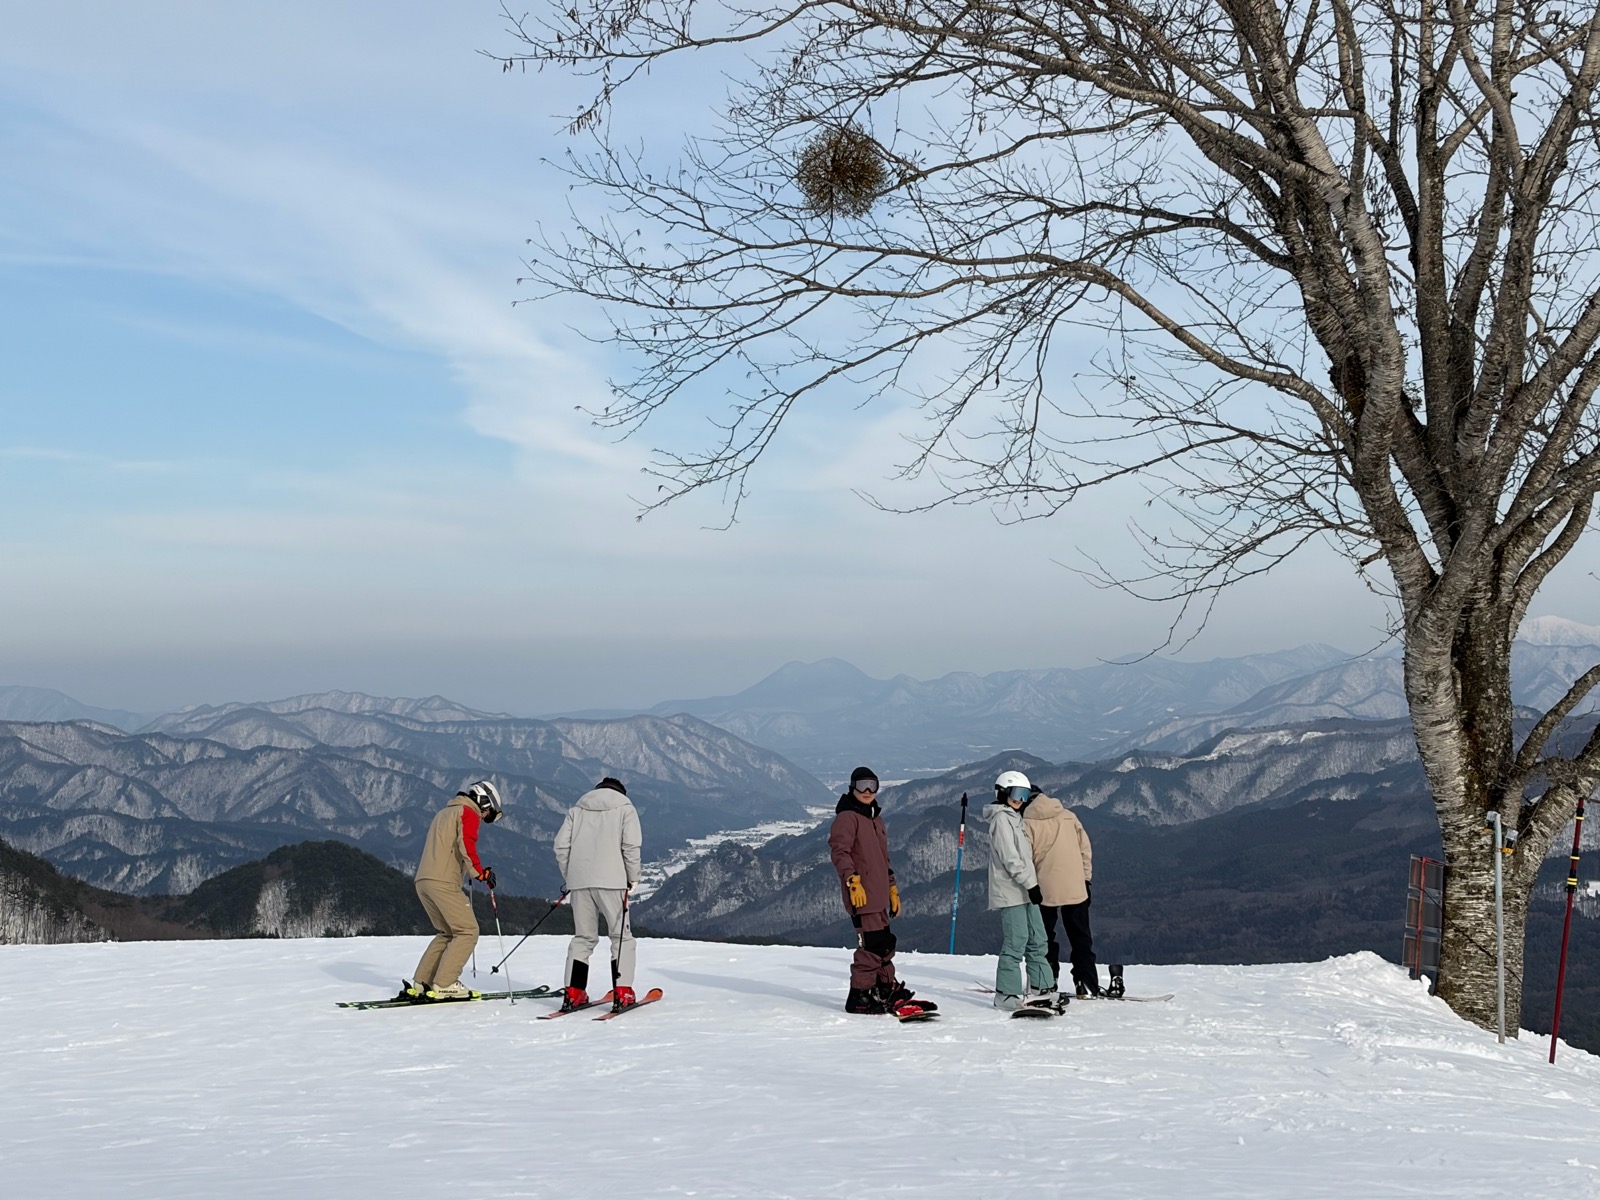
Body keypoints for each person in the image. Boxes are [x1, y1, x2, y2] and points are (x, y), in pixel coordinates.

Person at [827, 766, 934, 1016]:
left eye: (872, 786)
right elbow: (839, 851)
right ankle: (860, 996)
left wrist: (892, 886)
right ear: (852, 786)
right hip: (861, 893)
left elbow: (882, 858)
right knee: (871, 946)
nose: (867, 791)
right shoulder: (847, 817)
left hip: (879, 893)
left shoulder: (874, 817)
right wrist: (852, 880)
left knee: (884, 944)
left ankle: (885, 987)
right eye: (862, 785)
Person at [405, 780, 502, 1001]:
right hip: (443, 883)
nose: (485, 815)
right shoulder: (467, 813)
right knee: (468, 931)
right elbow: (466, 844)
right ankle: (445, 983)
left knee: (447, 933)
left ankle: (422, 983)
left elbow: (449, 847)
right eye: (487, 810)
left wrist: (465, 868)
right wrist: (479, 872)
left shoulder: (444, 812)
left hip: (424, 880)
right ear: (482, 800)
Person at [554, 776, 642, 1012]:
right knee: (621, 937)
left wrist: (570, 876)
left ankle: (574, 992)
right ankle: (622, 992)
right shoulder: (625, 808)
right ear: (621, 792)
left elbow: (561, 846)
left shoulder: (577, 809)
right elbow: (630, 846)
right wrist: (633, 877)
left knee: (583, 938)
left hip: (580, 882)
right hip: (613, 882)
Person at [985, 769, 1056, 1011]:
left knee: (1038, 938)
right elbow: (1011, 859)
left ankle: (1041, 986)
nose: (1020, 800)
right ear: (1003, 792)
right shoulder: (1001, 819)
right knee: (1016, 941)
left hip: (1026, 889)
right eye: (1016, 793)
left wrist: (1032, 884)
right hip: (1011, 891)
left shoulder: (1016, 818)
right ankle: (1006, 994)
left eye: (1025, 795)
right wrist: (1031, 884)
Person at [1023, 787, 1099, 996]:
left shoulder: (1027, 823)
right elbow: (1085, 849)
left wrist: (1027, 887)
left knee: (1044, 937)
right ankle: (1086, 982)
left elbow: (1025, 859)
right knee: (1080, 936)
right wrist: (1086, 879)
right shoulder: (1068, 816)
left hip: (1043, 889)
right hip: (1075, 885)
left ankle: (1048, 980)